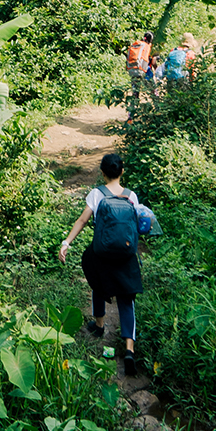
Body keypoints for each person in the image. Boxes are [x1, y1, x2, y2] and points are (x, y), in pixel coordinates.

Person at [58, 154, 153, 376]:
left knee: (96, 279)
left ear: (102, 173)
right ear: (122, 172)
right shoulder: (132, 196)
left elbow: (82, 220)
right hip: (126, 254)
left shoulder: (96, 194)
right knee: (127, 298)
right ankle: (129, 349)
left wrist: (66, 242)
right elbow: (140, 226)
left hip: (102, 253)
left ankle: (100, 325)